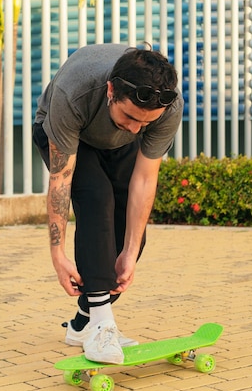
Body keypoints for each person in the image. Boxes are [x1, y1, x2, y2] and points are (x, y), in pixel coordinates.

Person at [33, 43, 183, 364]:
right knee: (96, 196)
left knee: (130, 226)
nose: (135, 127)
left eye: (144, 123)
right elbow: (62, 180)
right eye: (130, 116)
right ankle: (102, 326)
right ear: (111, 90)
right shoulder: (76, 91)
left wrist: (130, 251)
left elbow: (143, 181)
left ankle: (84, 322)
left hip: (113, 142)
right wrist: (57, 254)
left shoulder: (166, 107)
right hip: (69, 131)